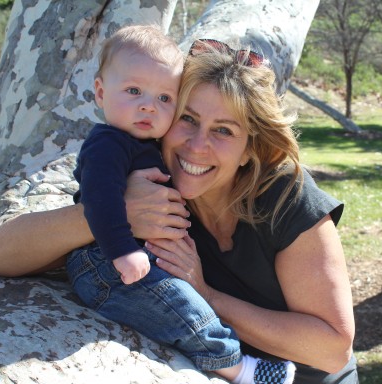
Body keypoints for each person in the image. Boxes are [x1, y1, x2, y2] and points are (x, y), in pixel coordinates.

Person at [0, 37, 358, 384]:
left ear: (249, 150)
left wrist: (206, 292)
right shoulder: (146, 173)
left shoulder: (285, 196)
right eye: (187, 119)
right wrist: (117, 213)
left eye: (223, 130)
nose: (196, 145)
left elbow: (331, 349)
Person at [68, 26, 296, 384]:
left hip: (128, 262)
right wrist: (123, 248)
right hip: (107, 262)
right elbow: (98, 200)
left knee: (182, 303)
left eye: (164, 99)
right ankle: (239, 369)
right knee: (180, 308)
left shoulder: (149, 144)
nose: (148, 105)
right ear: (100, 91)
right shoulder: (108, 145)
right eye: (133, 91)